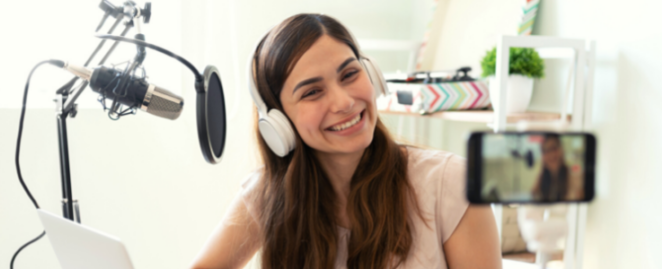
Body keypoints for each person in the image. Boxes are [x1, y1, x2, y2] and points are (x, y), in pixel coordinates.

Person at [191, 14, 501, 269]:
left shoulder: (452, 184)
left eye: (349, 74)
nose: (343, 102)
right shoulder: (267, 194)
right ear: (278, 123)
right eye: (312, 92)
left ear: (372, 75)